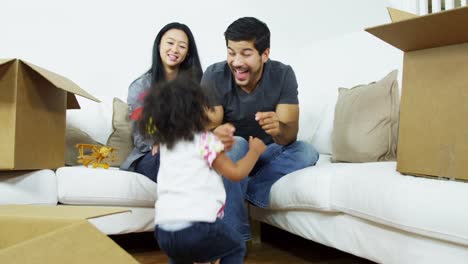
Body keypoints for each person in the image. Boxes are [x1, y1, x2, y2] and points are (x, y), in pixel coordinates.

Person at [201, 17, 320, 241]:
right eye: (231, 52)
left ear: (265, 54)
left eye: (245, 53)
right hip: (231, 153)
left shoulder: (283, 74)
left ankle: (247, 191)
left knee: (307, 152)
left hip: (265, 153)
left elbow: (288, 138)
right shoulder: (214, 75)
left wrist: (278, 127)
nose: (236, 62)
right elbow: (209, 124)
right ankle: (235, 237)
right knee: (239, 143)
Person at [139, 77, 266, 263]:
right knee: (236, 246)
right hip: (197, 226)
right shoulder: (205, 141)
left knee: (180, 255)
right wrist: (254, 151)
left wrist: (219, 144)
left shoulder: (167, 145)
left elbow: (196, 162)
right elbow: (235, 173)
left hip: (164, 230)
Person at [120, 22, 203, 182]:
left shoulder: (199, 85)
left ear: (188, 53)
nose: (175, 50)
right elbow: (140, 133)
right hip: (151, 156)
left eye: (182, 46)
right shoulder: (141, 87)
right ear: (159, 45)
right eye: (170, 43)